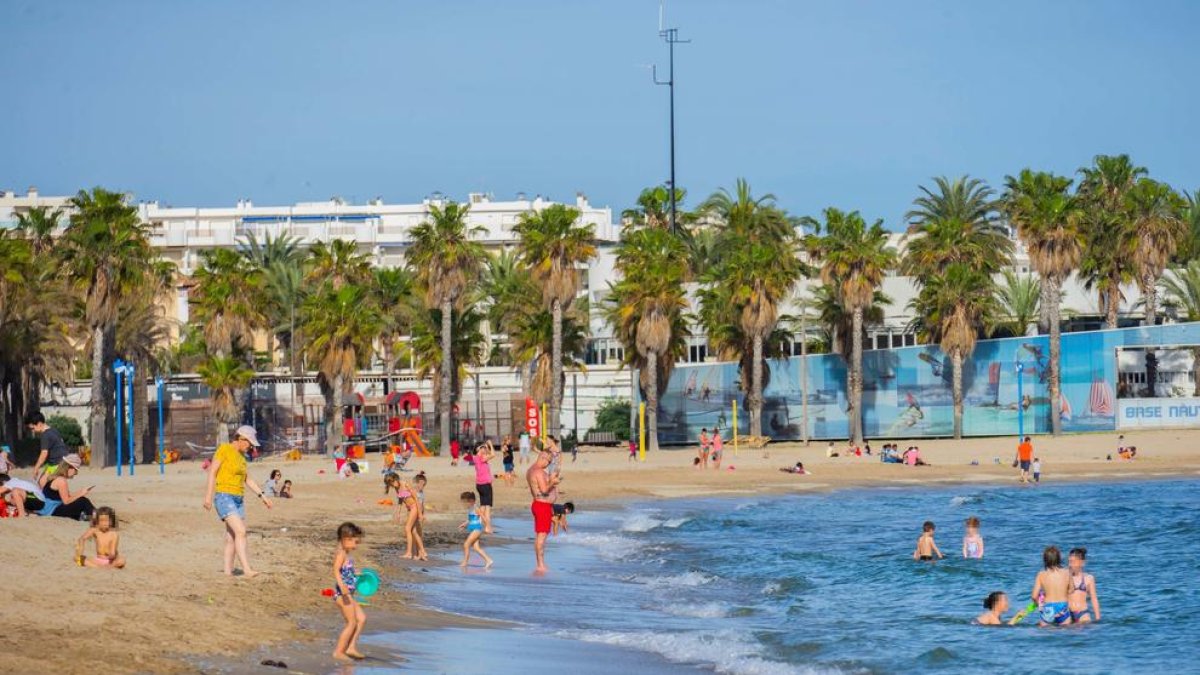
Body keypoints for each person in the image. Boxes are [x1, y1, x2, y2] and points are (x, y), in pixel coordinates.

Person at [203, 425, 272, 577]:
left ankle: (228, 573)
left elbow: (247, 479)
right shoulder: (224, 449)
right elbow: (212, 472)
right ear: (241, 439)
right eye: (250, 443)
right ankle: (247, 569)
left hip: (238, 499)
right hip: (224, 496)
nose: (251, 447)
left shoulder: (242, 457)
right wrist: (208, 496)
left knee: (232, 537)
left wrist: (263, 496)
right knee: (241, 531)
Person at [331, 522, 367, 662]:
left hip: (349, 595)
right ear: (346, 539)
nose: (356, 546)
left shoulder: (347, 553)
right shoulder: (341, 553)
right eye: (354, 542)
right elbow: (335, 570)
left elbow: (345, 571)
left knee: (362, 619)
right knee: (351, 622)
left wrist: (356, 574)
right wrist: (342, 586)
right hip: (342, 595)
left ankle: (351, 647)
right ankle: (338, 652)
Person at [527, 448, 559, 572]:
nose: (548, 464)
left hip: (539, 504)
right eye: (549, 461)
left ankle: (540, 563)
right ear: (543, 458)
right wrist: (553, 483)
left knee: (541, 535)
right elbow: (545, 490)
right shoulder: (539, 472)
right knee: (542, 536)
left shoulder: (531, 470)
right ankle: (540, 564)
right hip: (542, 506)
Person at [41, 454, 96, 520]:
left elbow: (67, 495)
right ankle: (99, 516)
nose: (76, 473)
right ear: (70, 467)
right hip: (52, 511)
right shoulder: (61, 480)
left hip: (47, 509)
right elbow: (66, 501)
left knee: (80, 500)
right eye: (76, 470)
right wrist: (81, 494)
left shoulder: (54, 477)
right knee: (83, 501)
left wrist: (81, 492)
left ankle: (90, 516)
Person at [386, 473, 426, 561]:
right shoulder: (397, 488)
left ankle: (409, 553)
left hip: (415, 507)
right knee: (414, 531)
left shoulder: (405, 484)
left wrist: (420, 513)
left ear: (396, 479)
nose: (393, 485)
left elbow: (416, 498)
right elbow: (400, 500)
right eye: (390, 484)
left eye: (393, 482)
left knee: (407, 528)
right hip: (409, 509)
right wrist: (398, 513)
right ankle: (420, 553)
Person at [1031, 545, 1073, 626]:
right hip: (1063, 607)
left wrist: (1039, 604)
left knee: (1046, 634)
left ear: (1045, 560)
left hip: (1048, 607)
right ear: (1059, 558)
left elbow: (1033, 596)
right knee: (1065, 634)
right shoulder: (1067, 572)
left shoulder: (1041, 574)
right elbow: (1071, 590)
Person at [26, 412, 70, 480]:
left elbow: (44, 454)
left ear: (39, 424)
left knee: (43, 484)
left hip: (57, 465)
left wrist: (36, 468)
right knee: (44, 484)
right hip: (62, 463)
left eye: (33, 428)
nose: (33, 431)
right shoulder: (54, 430)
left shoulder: (45, 435)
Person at [466, 441, 496, 533]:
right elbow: (493, 454)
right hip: (485, 485)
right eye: (483, 447)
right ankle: (488, 527)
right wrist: (490, 444)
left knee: (483, 506)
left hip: (479, 485)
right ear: (479, 449)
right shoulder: (481, 458)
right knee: (487, 507)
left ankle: (476, 523)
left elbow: (487, 453)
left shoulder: (475, 458)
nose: (485, 449)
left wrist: (485, 447)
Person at [458, 491, 493, 568]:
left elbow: (483, 517)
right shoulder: (470, 508)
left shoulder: (476, 508)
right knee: (476, 548)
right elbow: (470, 519)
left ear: (471, 501)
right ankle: (488, 560)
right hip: (473, 529)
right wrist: (464, 525)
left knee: (466, 545)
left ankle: (465, 562)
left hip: (477, 529)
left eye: (465, 502)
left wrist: (488, 526)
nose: (464, 504)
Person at [1068, 547, 1101, 623]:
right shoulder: (1065, 577)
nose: (1070, 565)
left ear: (1082, 563)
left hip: (1083, 613)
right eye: (1069, 562)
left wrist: (1098, 618)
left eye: (1073, 562)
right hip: (1068, 614)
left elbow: (1094, 599)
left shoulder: (1088, 578)